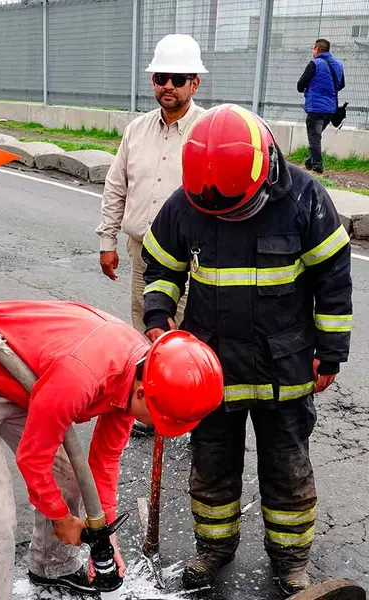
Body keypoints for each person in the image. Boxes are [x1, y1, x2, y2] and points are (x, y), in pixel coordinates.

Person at [141, 103, 352, 596]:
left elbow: (334, 281)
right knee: (211, 467)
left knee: (288, 471)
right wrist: (157, 317)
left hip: (287, 368)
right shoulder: (186, 202)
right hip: (209, 372)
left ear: (266, 171)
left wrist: (332, 350)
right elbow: (161, 268)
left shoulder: (305, 198)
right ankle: (213, 551)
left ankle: (291, 562)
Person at [0, 300, 224, 599]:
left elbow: (104, 461)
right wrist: (60, 518)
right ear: (143, 393)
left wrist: (106, 536)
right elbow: (32, 459)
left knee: (69, 477)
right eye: (160, 420)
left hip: (22, 379)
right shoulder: (81, 377)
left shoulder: (142, 371)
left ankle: (54, 566)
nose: (159, 429)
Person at [96, 33, 207, 335]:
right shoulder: (136, 130)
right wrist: (108, 242)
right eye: (161, 77)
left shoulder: (209, 132)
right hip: (143, 252)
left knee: (185, 337)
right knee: (146, 330)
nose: (168, 85)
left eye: (178, 79)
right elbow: (116, 187)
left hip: (193, 259)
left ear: (194, 84)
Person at [297, 39, 345, 175]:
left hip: (316, 108)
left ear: (317, 49)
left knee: (314, 137)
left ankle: (317, 167)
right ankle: (308, 164)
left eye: (313, 49)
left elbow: (300, 85)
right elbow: (341, 85)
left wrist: (312, 87)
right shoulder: (339, 65)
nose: (313, 51)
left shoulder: (314, 64)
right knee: (316, 137)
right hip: (330, 109)